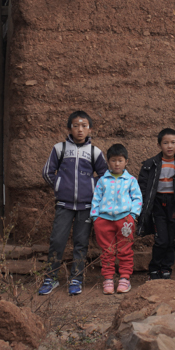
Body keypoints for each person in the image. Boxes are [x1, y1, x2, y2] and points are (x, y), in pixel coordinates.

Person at [40, 110, 107, 296]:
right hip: (64, 205)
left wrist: (91, 187)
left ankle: (76, 278)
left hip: (86, 206)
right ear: (69, 128)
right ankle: (50, 278)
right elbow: (47, 172)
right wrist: (60, 185)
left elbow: (104, 176)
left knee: (81, 243)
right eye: (76, 125)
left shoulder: (94, 152)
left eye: (84, 126)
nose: (80, 129)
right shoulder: (59, 149)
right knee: (57, 241)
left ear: (90, 129)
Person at [137, 128, 175, 280]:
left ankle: (166, 267)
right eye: (165, 143)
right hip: (157, 204)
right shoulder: (150, 165)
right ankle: (154, 268)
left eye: (173, 143)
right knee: (161, 239)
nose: (169, 146)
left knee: (170, 238)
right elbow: (142, 187)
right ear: (159, 145)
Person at [91, 143, 142, 295]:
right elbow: (96, 198)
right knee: (107, 251)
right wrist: (95, 217)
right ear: (108, 162)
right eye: (113, 160)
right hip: (103, 221)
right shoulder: (102, 180)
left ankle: (125, 278)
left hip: (124, 220)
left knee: (125, 250)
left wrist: (132, 216)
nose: (117, 163)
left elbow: (137, 198)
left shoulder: (131, 180)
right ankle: (108, 279)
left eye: (120, 160)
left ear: (126, 161)